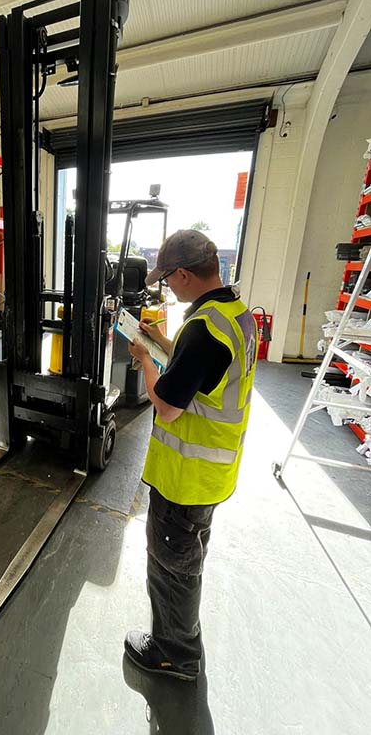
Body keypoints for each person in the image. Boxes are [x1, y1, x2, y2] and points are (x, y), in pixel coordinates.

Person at [124, 229, 257, 682]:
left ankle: (176, 655)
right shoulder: (234, 313)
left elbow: (167, 405)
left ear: (184, 273)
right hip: (213, 473)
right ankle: (181, 643)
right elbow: (201, 372)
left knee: (171, 566)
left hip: (185, 476)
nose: (168, 287)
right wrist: (162, 342)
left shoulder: (203, 329)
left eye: (169, 279)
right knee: (188, 556)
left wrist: (144, 359)